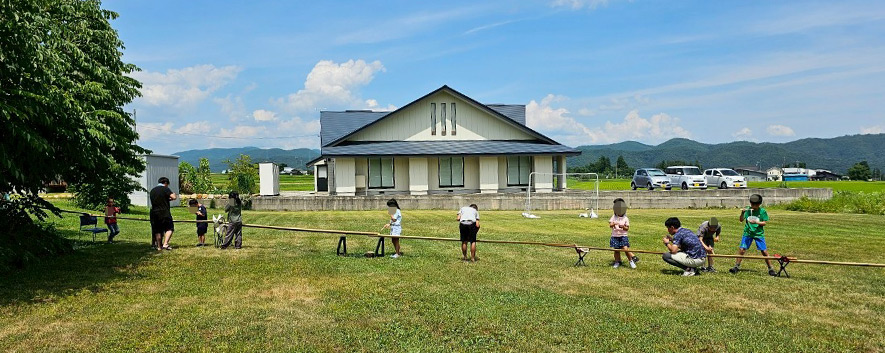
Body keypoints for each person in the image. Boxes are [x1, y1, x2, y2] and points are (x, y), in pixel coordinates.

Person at [730, 194, 776, 276]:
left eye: (755, 205)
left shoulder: (762, 212)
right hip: (748, 233)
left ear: (759, 204)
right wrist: (742, 213)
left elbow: (764, 223)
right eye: (752, 204)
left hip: (758, 234)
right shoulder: (748, 210)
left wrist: (756, 222)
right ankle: (736, 266)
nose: (753, 206)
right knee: (742, 250)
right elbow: (741, 220)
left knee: (764, 251)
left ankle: (770, 268)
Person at [149, 177, 177, 251]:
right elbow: (173, 197)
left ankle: (158, 246)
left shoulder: (153, 190)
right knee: (169, 228)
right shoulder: (165, 189)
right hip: (164, 212)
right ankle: (165, 244)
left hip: (154, 212)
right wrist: (174, 195)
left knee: (157, 230)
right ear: (165, 183)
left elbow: (160, 199)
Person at [609, 198, 638, 269]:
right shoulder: (613, 217)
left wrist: (623, 227)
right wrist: (613, 224)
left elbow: (627, 228)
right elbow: (610, 225)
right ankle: (617, 261)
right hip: (615, 236)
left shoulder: (625, 218)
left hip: (623, 236)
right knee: (616, 250)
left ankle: (631, 261)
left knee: (625, 249)